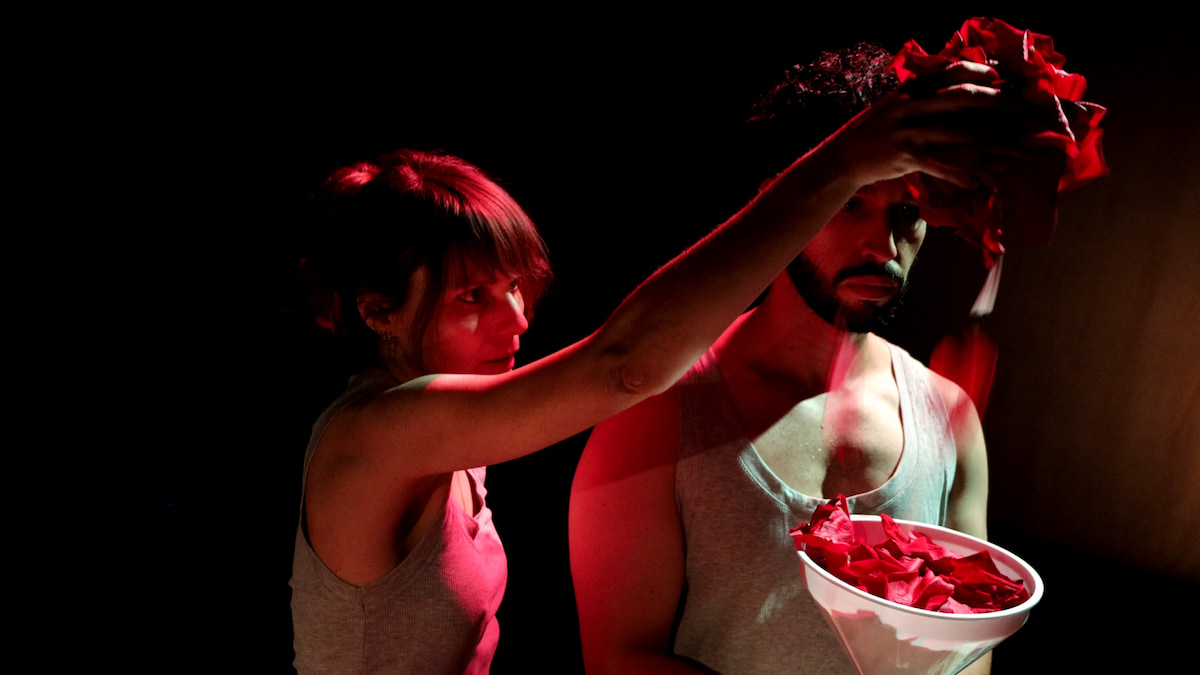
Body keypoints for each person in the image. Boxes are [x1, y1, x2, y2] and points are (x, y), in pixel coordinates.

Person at [289, 51, 1004, 673]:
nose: (518, 319)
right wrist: (842, 163)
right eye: (472, 296)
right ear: (377, 311)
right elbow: (624, 364)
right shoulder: (374, 436)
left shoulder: (451, 438)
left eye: (515, 285)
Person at [569, 44, 999, 674]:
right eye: (850, 203)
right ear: (782, 200)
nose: (882, 247)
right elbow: (617, 659)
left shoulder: (949, 415)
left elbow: (966, 650)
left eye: (907, 212)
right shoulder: (660, 409)